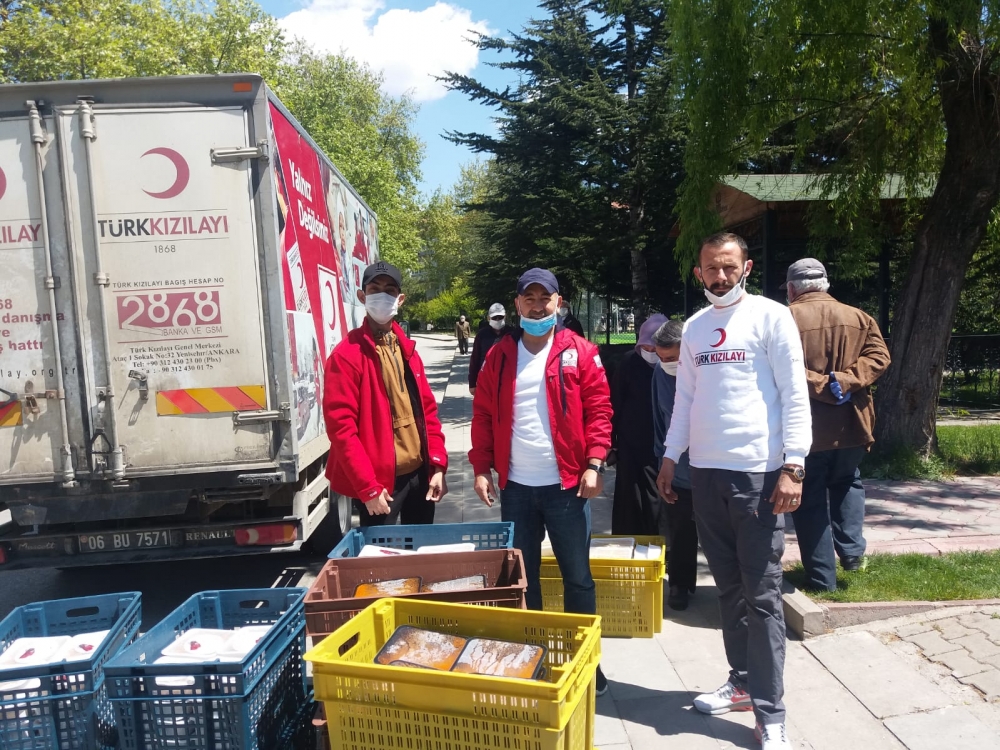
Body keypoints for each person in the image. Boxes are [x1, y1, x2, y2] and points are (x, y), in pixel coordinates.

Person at [655, 232, 810, 750]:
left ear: (745, 266)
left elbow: (794, 394)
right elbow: (686, 400)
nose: (718, 277)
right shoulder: (696, 328)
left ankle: (771, 712)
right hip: (706, 475)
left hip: (759, 478)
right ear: (698, 273)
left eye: (727, 267)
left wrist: (794, 466)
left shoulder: (771, 316)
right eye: (709, 269)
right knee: (727, 589)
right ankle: (741, 680)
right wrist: (671, 456)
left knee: (762, 595)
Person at [469, 268, 613, 695]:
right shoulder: (499, 355)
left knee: (578, 578)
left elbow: (600, 411)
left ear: (558, 303)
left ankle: (586, 660)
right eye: (528, 298)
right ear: (517, 305)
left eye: (544, 298)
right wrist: (480, 467)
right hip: (516, 489)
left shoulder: (581, 352)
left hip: (567, 487)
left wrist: (595, 462)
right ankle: (533, 659)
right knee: (523, 579)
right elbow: (482, 416)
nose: (536, 305)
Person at [783, 258, 891, 590]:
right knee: (848, 482)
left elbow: (777, 367)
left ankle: (821, 577)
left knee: (810, 496)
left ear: (791, 289)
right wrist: (844, 381)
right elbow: (879, 358)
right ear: (827, 284)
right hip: (853, 423)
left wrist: (820, 383)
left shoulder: (784, 319)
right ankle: (853, 556)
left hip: (806, 428)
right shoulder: (859, 317)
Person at [323, 261, 448, 528]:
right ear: (362, 296)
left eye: (389, 290)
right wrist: (367, 487)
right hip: (380, 485)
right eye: (374, 289)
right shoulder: (346, 356)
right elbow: (342, 430)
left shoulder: (407, 350)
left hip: (419, 477)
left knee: (421, 561)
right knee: (382, 566)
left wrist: (437, 466)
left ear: (400, 299)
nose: (382, 296)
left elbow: (428, 411)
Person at [651, 319, 698, 611]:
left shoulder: (706, 370)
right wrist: (662, 462)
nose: (666, 363)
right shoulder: (660, 373)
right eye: (661, 357)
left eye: (672, 358)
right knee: (679, 531)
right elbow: (660, 420)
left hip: (714, 468)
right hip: (677, 469)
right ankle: (679, 584)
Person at [609, 313, 669, 536]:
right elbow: (615, 402)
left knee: (662, 499)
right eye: (647, 348)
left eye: (656, 349)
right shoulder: (629, 363)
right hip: (631, 444)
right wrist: (611, 442)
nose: (651, 354)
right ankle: (629, 544)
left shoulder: (673, 365)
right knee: (631, 499)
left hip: (664, 446)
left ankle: (663, 549)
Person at [469, 303, 515, 395]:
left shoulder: (512, 333)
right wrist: (472, 383)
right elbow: (475, 358)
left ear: (505, 317)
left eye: (500, 317)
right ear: (488, 318)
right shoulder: (482, 335)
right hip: (486, 377)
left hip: (507, 378)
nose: (497, 320)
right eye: (494, 318)